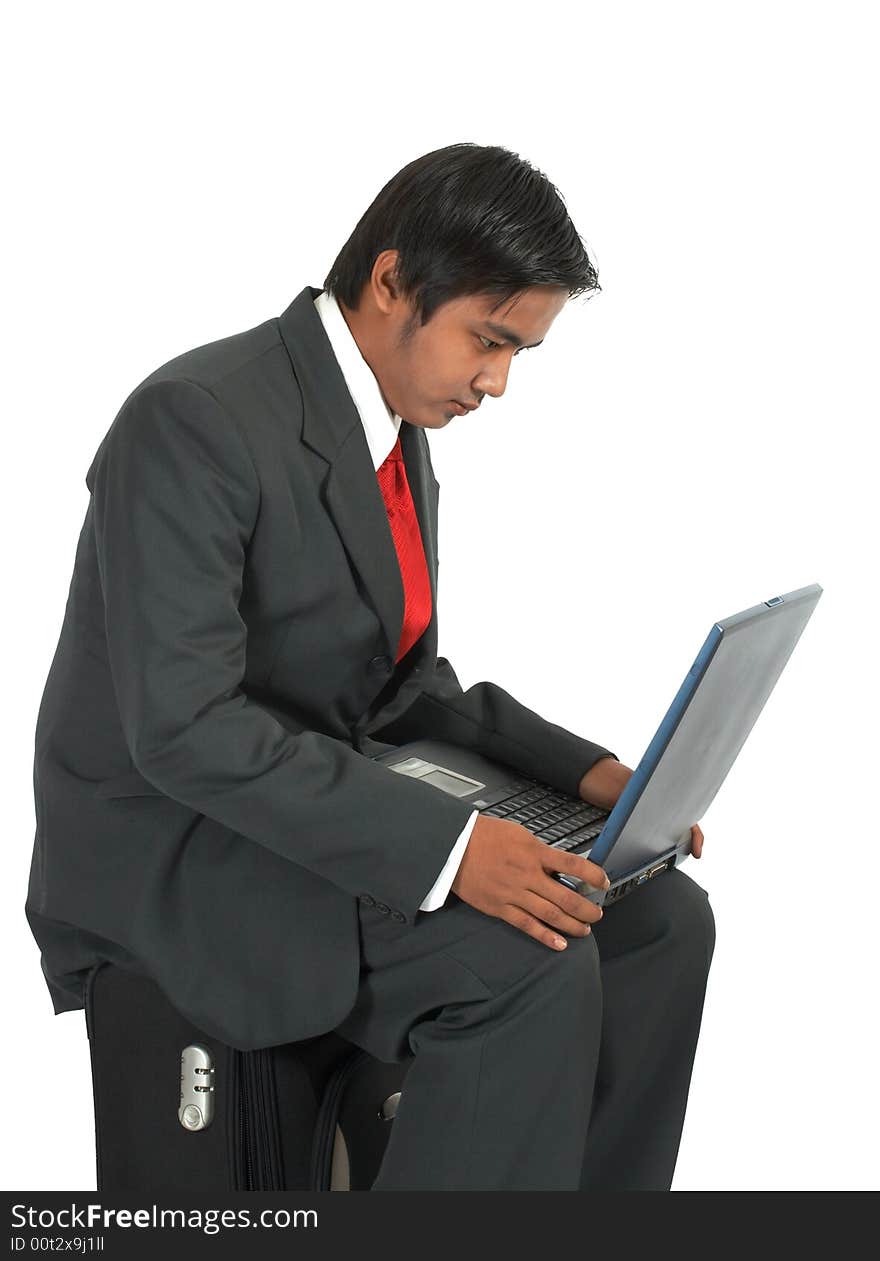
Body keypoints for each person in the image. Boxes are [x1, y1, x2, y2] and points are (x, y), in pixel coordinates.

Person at [25, 141, 715, 1190]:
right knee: (523, 962)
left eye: (520, 353)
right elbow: (184, 727)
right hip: (176, 845)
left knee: (660, 921)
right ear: (391, 281)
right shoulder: (193, 420)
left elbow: (399, 689)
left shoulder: (389, 424)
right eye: (488, 341)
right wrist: (450, 849)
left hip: (302, 803)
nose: (497, 382)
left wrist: (583, 776)